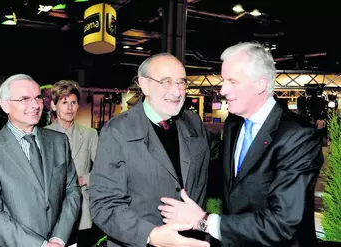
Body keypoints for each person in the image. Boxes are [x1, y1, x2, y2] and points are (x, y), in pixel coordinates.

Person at [159, 42, 324, 247]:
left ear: (260, 85)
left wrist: (202, 221)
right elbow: (227, 181)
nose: (222, 89)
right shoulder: (234, 124)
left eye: (232, 81)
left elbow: (282, 223)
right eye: (223, 80)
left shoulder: (298, 136)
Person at [89, 53, 213, 247]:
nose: (177, 91)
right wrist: (151, 235)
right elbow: (103, 205)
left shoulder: (193, 122)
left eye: (182, 83)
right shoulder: (118, 131)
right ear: (144, 85)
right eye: (166, 82)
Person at [0, 74, 81, 247]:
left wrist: (58, 238)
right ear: (5, 105)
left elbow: (72, 191)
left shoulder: (59, 141)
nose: (35, 105)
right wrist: (41, 245)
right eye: (24, 99)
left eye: (38, 97)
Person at [45, 80, 101, 247]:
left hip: (82, 210)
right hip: (51, 210)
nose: (69, 107)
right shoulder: (43, 135)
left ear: (78, 106)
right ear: (54, 106)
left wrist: (84, 179)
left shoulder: (90, 135)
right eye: (64, 102)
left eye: (73, 102)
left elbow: (104, 171)